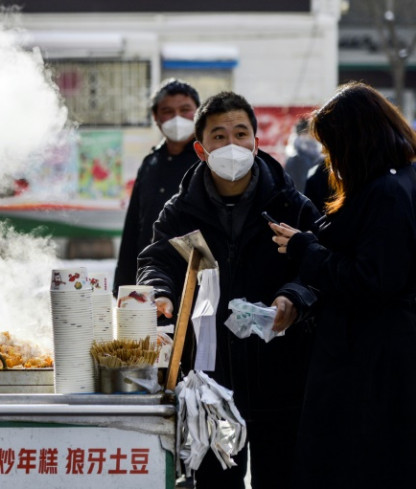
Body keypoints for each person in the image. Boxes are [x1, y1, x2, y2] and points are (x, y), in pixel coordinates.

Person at [137, 91, 320, 489]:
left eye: (241, 133)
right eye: (219, 137)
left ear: (257, 142)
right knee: (218, 481)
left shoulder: (291, 205)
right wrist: (160, 291)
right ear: (201, 150)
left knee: (283, 477)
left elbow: (318, 268)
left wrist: (293, 297)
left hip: (281, 376)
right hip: (211, 383)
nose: (232, 145)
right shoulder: (181, 211)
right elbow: (156, 261)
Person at [268, 82, 416, 489]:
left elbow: (372, 280)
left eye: (332, 146)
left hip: (372, 363)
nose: (330, 158)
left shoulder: (387, 192)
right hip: (377, 355)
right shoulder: (397, 180)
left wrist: (305, 249)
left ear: (355, 140)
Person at [113, 78, 201, 296]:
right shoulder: (150, 163)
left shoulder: (206, 162)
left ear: (198, 113)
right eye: (168, 111)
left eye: (185, 110)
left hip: (192, 280)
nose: (177, 118)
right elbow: (134, 226)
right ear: (156, 117)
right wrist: (122, 284)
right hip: (148, 276)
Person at [283, 117, 324, 191]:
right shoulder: (294, 160)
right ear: (301, 134)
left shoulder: (319, 157)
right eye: (309, 132)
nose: (312, 136)